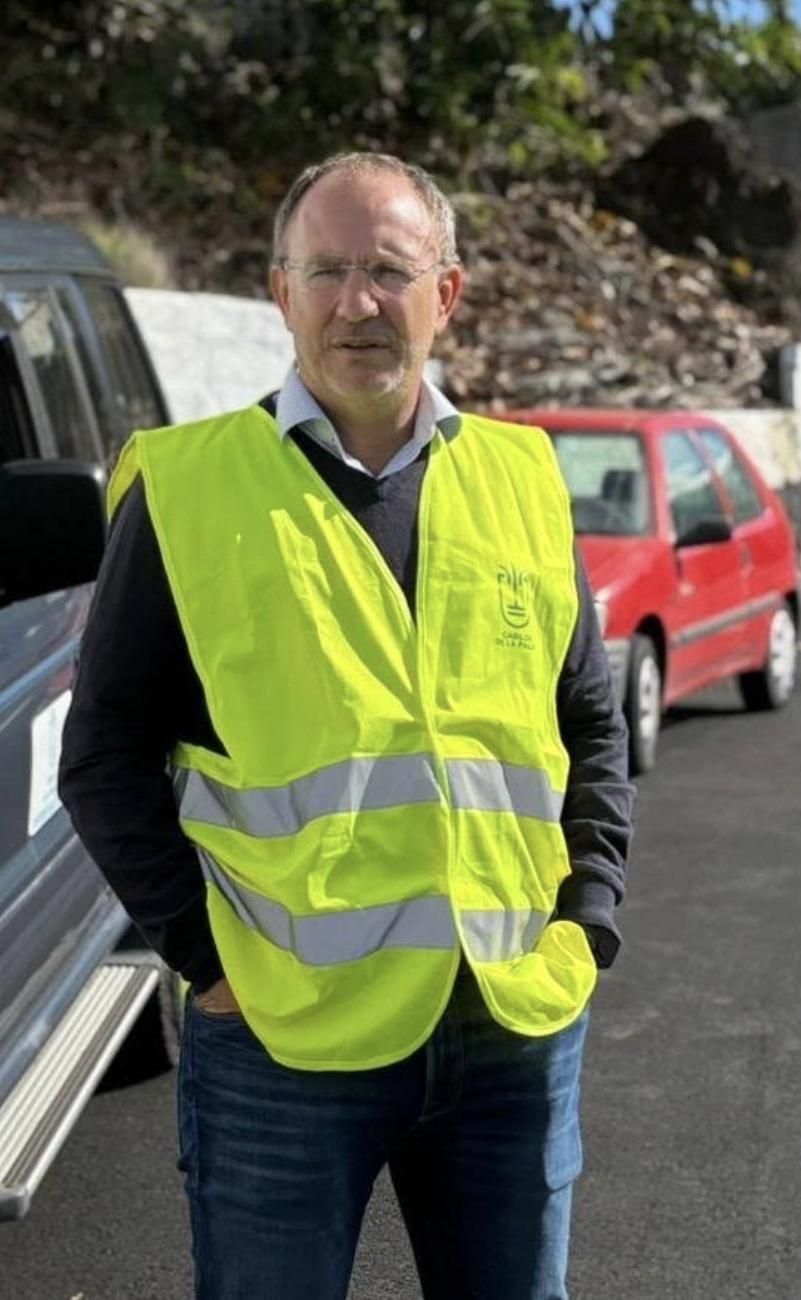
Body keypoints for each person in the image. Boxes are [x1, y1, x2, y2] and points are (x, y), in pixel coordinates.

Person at [59, 152, 633, 1300]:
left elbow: (589, 717)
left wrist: (592, 914)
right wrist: (205, 960)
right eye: (325, 270)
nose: (356, 302)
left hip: (513, 1020)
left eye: (388, 269)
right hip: (280, 1034)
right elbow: (103, 752)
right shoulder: (187, 486)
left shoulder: (523, 475)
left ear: (448, 293)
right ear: (281, 294)